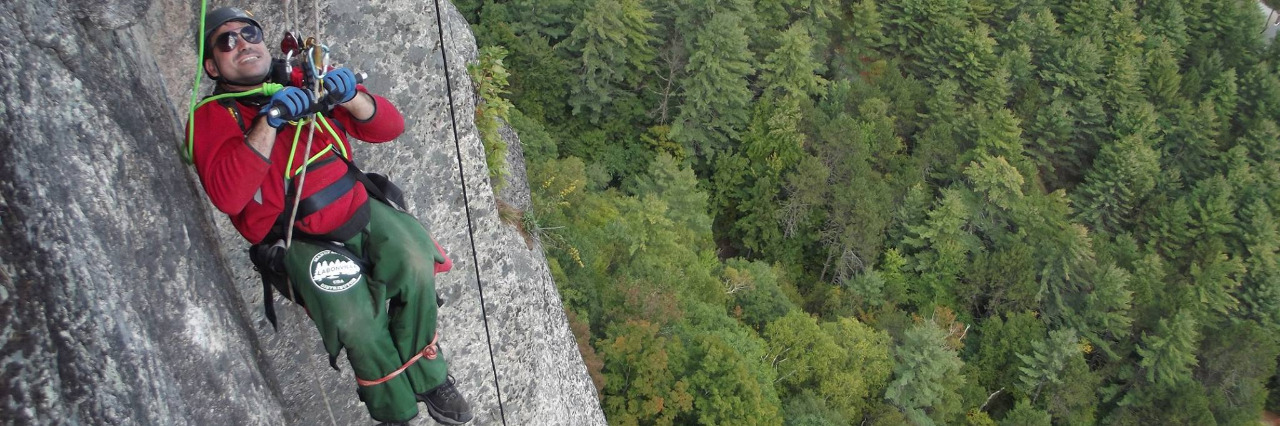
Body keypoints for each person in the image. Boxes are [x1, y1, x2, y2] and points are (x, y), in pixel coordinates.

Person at [187, 7, 473, 425]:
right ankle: (396, 410)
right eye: (226, 41)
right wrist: (271, 119)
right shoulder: (214, 117)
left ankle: (429, 375)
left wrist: (351, 95)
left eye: (249, 33)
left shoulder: (306, 80)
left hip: (356, 204)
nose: (243, 43)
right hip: (297, 236)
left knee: (415, 260)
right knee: (355, 321)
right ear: (213, 66)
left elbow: (389, 127)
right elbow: (230, 196)